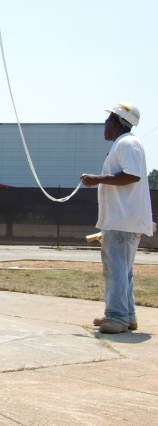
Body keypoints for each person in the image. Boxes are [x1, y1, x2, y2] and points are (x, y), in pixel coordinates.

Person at [80, 102, 154, 334]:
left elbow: (131, 176)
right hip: (123, 219)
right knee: (124, 270)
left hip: (123, 220)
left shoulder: (128, 143)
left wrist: (97, 179)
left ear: (118, 122)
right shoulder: (124, 144)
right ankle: (127, 315)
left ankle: (117, 317)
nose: (105, 125)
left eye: (108, 120)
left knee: (115, 269)